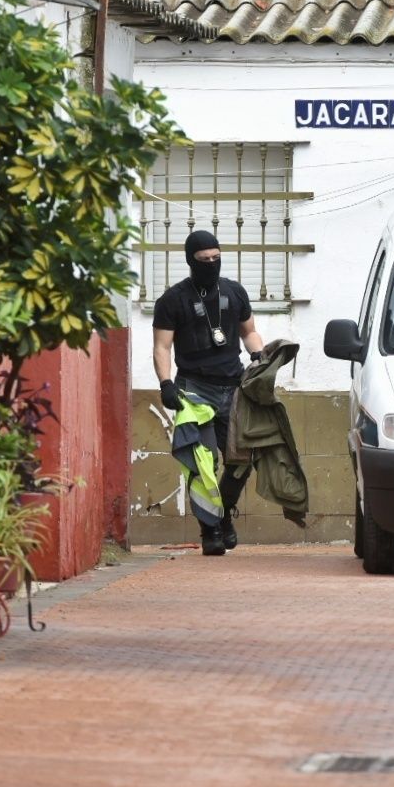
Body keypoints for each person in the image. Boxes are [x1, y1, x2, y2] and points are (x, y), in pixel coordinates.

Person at [153, 231, 267, 556]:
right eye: (204, 260)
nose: (211, 264)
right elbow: (162, 347)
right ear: (191, 261)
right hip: (194, 390)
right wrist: (166, 383)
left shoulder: (234, 292)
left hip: (233, 387)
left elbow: (249, 331)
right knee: (203, 463)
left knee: (242, 459)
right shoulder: (172, 300)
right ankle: (210, 530)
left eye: (216, 258)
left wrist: (258, 355)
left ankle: (223, 513)